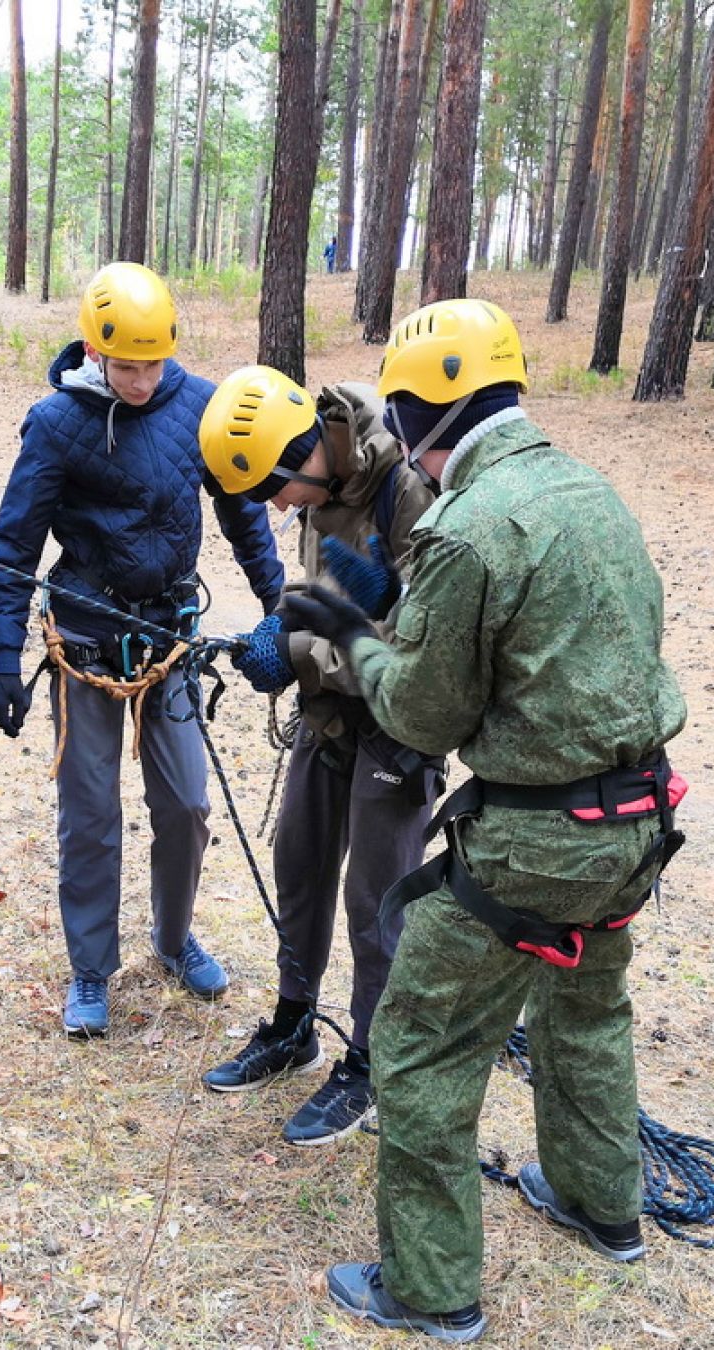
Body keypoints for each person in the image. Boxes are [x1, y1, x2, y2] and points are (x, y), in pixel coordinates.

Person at [282, 298, 688, 1342]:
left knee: (418, 1047)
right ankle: (604, 1205)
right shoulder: (590, 492)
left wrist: (350, 638)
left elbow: (425, 711)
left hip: (535, 845)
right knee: (586, 1011)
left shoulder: (467, 528)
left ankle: (428, 1290)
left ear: (420, 409)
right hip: (637, 827)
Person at [0, 261, 285, 1039]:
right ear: (95, 350)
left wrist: (277, 603)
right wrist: (2, 660)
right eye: (127, 365)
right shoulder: (54, 424)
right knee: (90, 814)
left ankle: (175, 938)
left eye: (154, 363)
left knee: (185, 803)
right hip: (85, 640)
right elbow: (14, 545)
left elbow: (242, 511)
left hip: (168, 639)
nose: (143, 379)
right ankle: (91, 968)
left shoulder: (200, 406)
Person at [196, 364, 440, 1145]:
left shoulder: (404, 490)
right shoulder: (318, 482)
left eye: (275, 488)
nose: (273, 508)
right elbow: (331, 599)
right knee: (299, 866)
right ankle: (294, 1022)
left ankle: (371, 1062)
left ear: (308, 449)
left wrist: (300, 653)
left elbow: (413, 643)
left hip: (398, 725)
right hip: (329, 718)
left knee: (377, 901)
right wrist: (279, 631)